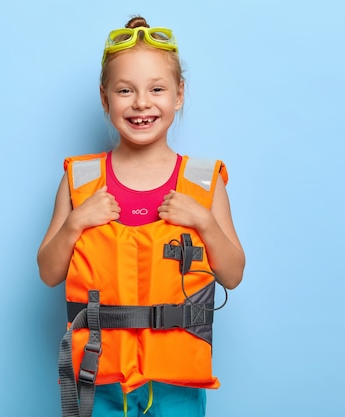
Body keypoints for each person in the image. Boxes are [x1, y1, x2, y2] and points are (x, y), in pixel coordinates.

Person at [37, 16, 245, 417]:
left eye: (157, 89)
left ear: (179, 94)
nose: (141, 103)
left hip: (175, 386)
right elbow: (48, 272)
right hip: (99, 379)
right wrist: (75, 223)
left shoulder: (203, 183)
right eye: (125, 90)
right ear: (105, 98)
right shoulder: (80, 180)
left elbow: (233, 274)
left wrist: (204, 222)